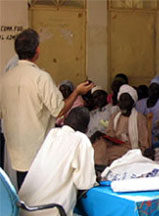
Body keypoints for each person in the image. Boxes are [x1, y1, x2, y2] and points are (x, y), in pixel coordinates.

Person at [0, 28, 93, 189]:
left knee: (23, 193)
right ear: (37, 50)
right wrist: (77, 91)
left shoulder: (5, 79)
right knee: (40, 195)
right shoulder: (40, 78)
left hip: (15, 151)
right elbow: (59, 110)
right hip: (38, 152)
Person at [18, 107, 97, 216]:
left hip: (23, 211)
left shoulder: (52, 135)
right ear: (85, 129)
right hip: (48, 212)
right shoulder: (81, 140)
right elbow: (84, 182)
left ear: (66, 121)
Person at [93, 85, 150, 166]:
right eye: (121, 100)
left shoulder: (139, 118)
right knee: (99, 140)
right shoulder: (114, 116)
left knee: (106, 154)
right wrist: (104, 136)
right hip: (115, 145)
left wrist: (144, 153)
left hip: (130, 148)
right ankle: (98, 165)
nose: (123, 103)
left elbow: (144, 142)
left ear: (132, 102)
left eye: (126, 100)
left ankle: (98, 166)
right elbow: (110, 134)